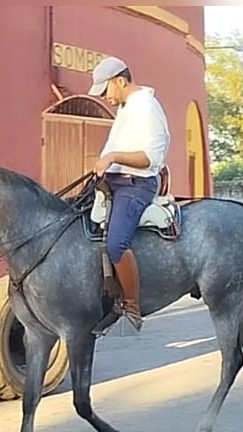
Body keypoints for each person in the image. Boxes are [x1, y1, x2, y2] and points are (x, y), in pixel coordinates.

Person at [87, 55, 170, 333]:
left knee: (116, 244)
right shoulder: (126, 107)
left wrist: (112, 157)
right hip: (113, 181)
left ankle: (132, 304)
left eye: (106, 89)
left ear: (120, 81)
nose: (105, 97)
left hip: (137, 184)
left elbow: (150, 158)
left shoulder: (146, 107)